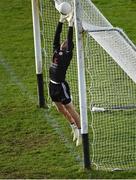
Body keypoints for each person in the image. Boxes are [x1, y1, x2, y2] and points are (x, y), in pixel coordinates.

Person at [49, 12, 82, 146]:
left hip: (61, 86)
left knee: (70, 108)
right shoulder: (57, 50)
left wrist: (70, 24)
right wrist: (61, 21)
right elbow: (56, 38)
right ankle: (73, 127)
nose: (64, 41)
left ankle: (81, 132)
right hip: (52, 84)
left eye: (67, 42)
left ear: (69, 47)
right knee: (60, 109)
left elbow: (69, 37)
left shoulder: (67, 55)